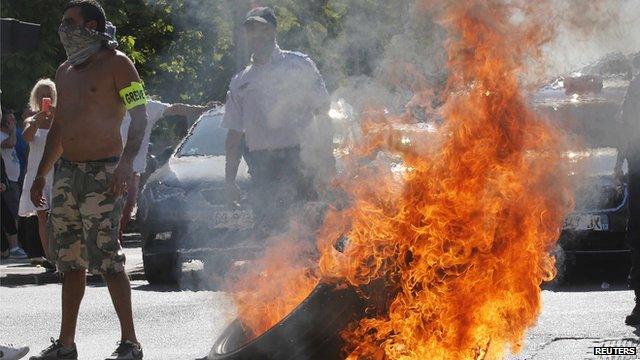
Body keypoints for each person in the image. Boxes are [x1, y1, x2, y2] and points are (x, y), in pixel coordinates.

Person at [29, 1, 147, 359]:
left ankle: (130, 342)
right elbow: (59, 129)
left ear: (92, 26)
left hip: (104, 174)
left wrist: (126, 166)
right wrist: (41, 175)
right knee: (69, 262)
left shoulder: (119, 65)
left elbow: (140, 118)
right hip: (68, 174)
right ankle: (66, 345)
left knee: (108, 260)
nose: (64, 28)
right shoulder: (64, 71)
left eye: (70, 22)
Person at [222, 7, 334, 236]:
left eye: (263, 28)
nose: (257, 35)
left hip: (300, 161)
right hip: (262, 167)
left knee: (309, 231)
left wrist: (326, 158)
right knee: (270, 234)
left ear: (274, 30)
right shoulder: (240, 81)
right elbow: (234, 134)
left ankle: (313, 271)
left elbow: (323, 112)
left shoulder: (299, 64)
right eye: (252, 30)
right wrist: (229, 181)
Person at [118, 99, 209, 240]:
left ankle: (114, 246)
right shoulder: (105, 105)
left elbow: (176, 108)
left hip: (132, 172)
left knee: (124, 213)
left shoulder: (147, 106)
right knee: (106, 214)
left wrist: (202, 109)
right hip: (105, 169)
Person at [18, 79, 57, 270]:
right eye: (41, 94)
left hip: (57, 173)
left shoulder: (60, 118)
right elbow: (26, 137)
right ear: (36, 97)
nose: (45, 98)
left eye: (48, 94)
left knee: (60, 215)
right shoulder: (31, 119)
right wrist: (38, 120)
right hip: (36, 174)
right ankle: (50, 257)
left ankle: (63, 255)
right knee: (42, 216)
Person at [617, 73, 640, 325]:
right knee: (638, 237)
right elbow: (626, 128)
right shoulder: (636, 86)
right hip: (638, 170)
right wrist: (618, 162)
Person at [1, 108, 28, 259]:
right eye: (11, 120)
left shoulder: (8, 134)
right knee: (13, 214)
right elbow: (10, 144)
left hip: (15, 180)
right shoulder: (2, 136)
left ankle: (18, 245)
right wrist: (12, 130)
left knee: (17, 212)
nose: (14, 122)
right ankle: (14, 247)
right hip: (7, 182)